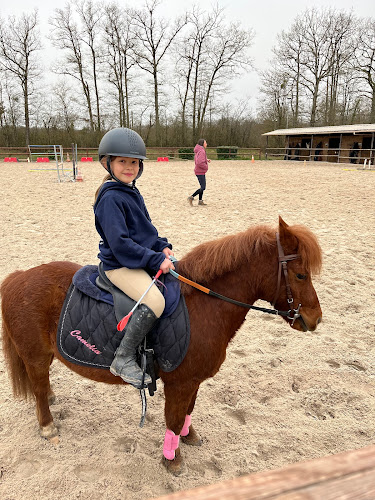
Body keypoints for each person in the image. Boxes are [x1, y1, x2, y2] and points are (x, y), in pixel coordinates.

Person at [93, 127, 175, 389]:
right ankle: (123, 357)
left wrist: (162, 247)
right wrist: (153, 260)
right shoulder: (110, 199)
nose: (129, 167)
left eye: (134, 162)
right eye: (122, 161)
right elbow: (122, 245)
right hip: (119, 265)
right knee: (155, 301)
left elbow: (145, 230)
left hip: (136, 258)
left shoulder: (131, 191)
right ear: (108, 162)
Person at [187, 138, 210, 206]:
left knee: (202, 186)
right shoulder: (202, 151)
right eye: (205, 143)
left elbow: (199, 159)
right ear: (202, 143)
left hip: (199, 171)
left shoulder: (199, 150)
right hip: (200, 171)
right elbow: (199, 162)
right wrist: (206, 167)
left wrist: (206, 160)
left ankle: (200, 201)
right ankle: (191, 197)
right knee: (203, 187)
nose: (206, 144)